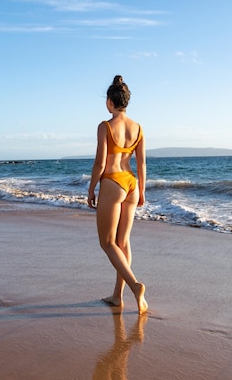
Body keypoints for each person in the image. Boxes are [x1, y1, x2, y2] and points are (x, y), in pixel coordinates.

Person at [88, 75, 148, 314]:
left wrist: (92, 187)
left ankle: (135, 286)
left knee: (107, 243)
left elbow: (100, 163)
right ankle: (117, 296)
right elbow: (142, 164)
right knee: (123, 242)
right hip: (131, 184)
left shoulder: (105, 126)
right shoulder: (138, 128)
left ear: (109, 102)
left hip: (112, 183)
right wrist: (142, 190)